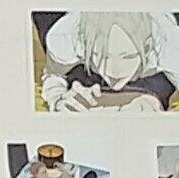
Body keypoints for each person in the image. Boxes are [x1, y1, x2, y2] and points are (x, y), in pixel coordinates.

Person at [40, 10, 179, 111]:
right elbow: (53, 75)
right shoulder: (64, 38)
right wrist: (58, 101)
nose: (114, 72)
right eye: (101, 56)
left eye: (128, 56)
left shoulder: (169, 45)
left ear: (149, 46)